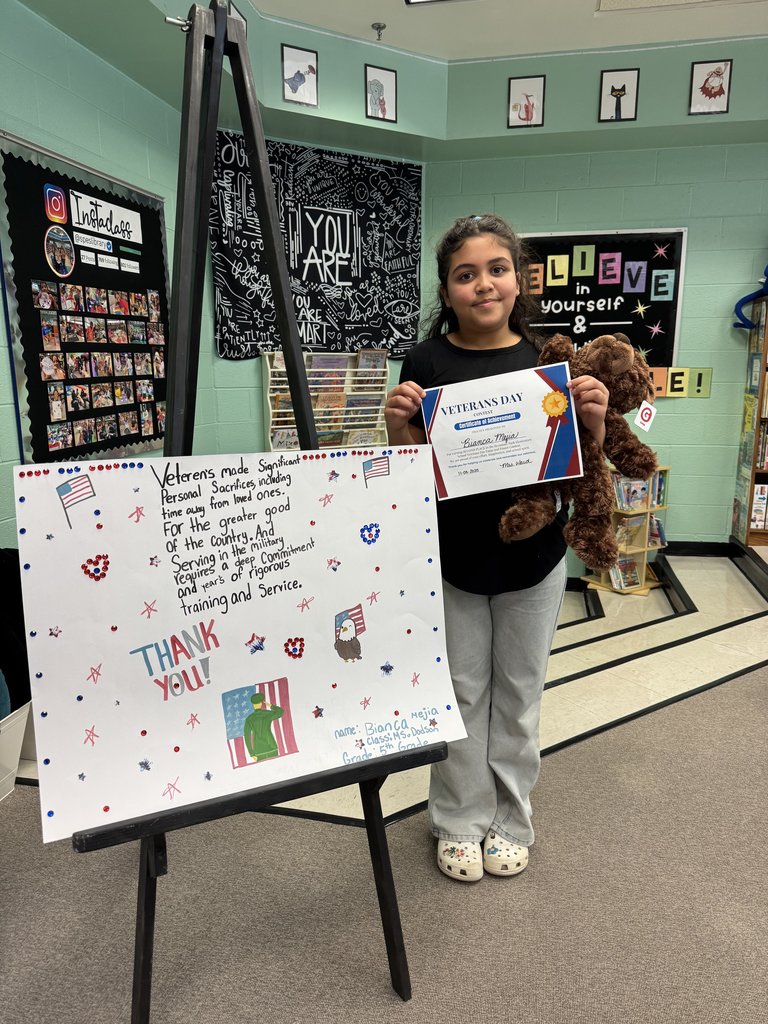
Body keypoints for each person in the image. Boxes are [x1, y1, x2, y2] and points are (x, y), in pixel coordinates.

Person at [384, 214, 609, 883]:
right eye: (465, 274)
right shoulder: (426, 362)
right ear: (447, 290)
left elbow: (578, 469)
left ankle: (511, 819)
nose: (483, 283)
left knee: (519, 695)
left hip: (534, 561)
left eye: (496, 269)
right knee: (458, 695)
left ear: (519, 280)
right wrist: (397, 426)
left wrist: (592, 421)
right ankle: (457, 820)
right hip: (451, 559)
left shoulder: (548, 361)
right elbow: (407, 472)